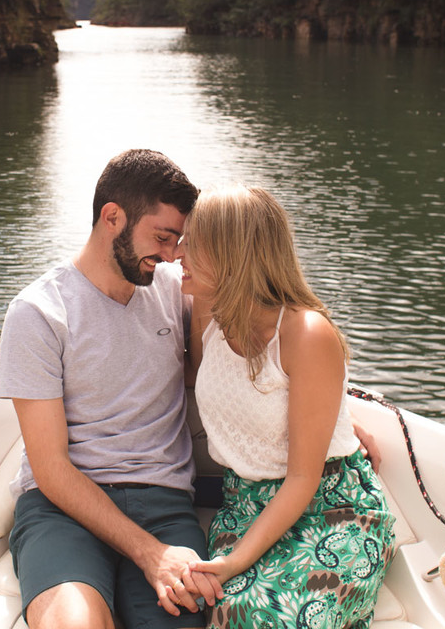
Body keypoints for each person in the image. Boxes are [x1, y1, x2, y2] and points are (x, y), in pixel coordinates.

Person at [0, 149, 221, 629]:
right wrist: (149, 554)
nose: (169, 255)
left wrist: (335, 426)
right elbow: (51, 469)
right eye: (162, 237)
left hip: (163, 503)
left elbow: (247, 349)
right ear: (112, 217)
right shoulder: (38, 313)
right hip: (63, 509)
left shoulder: (174, 291)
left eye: (178, 241)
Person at [175, 185, 396, 629]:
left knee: (273, 618)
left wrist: (235, 562)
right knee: (227, 609)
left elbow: (301, 478)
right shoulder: (206, 308)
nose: (178, 251)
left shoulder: (307, 335)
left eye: (191, 243)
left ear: (231, 254)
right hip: (245, 503)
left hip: (333, 506)